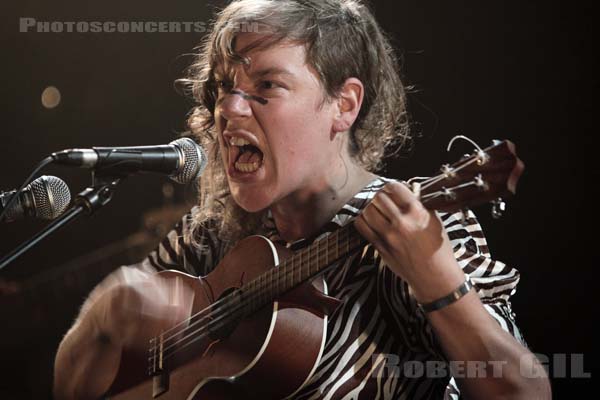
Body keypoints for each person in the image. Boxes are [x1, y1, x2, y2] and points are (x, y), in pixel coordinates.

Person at [53, 0, 551, 398]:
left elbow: (525, 393)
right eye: (224, 87)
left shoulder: (419, 226)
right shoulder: (208, 235)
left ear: (344, 105)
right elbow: (77, 387)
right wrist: (103, 316)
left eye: (266, 84)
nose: (227, 108)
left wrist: (439, 281)